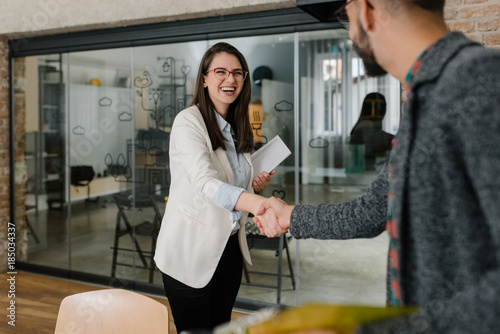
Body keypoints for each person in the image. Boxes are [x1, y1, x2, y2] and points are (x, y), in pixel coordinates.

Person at [255, 0, 500, 333]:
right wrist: (290, 216)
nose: (350, 27)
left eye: (347, 13)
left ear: (367, 10)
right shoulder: (424, 97)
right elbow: (372, 211)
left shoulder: (480, 82)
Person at [153, 42, 275, 333]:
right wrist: (259, 205)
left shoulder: (236, 126)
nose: (229, 79)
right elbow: (206, 183)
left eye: (237, 73)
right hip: (189, 251)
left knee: (221, 328)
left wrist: (252, 183)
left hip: (228, 248)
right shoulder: (188, 122)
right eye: (220, 71)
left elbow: (231, 183)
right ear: (204, 79)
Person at [349, 92, 393, 170]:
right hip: (362, 173)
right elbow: (373, 145)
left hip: (366, 170)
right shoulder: (366, 124)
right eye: (382, 106)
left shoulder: (367, 124)